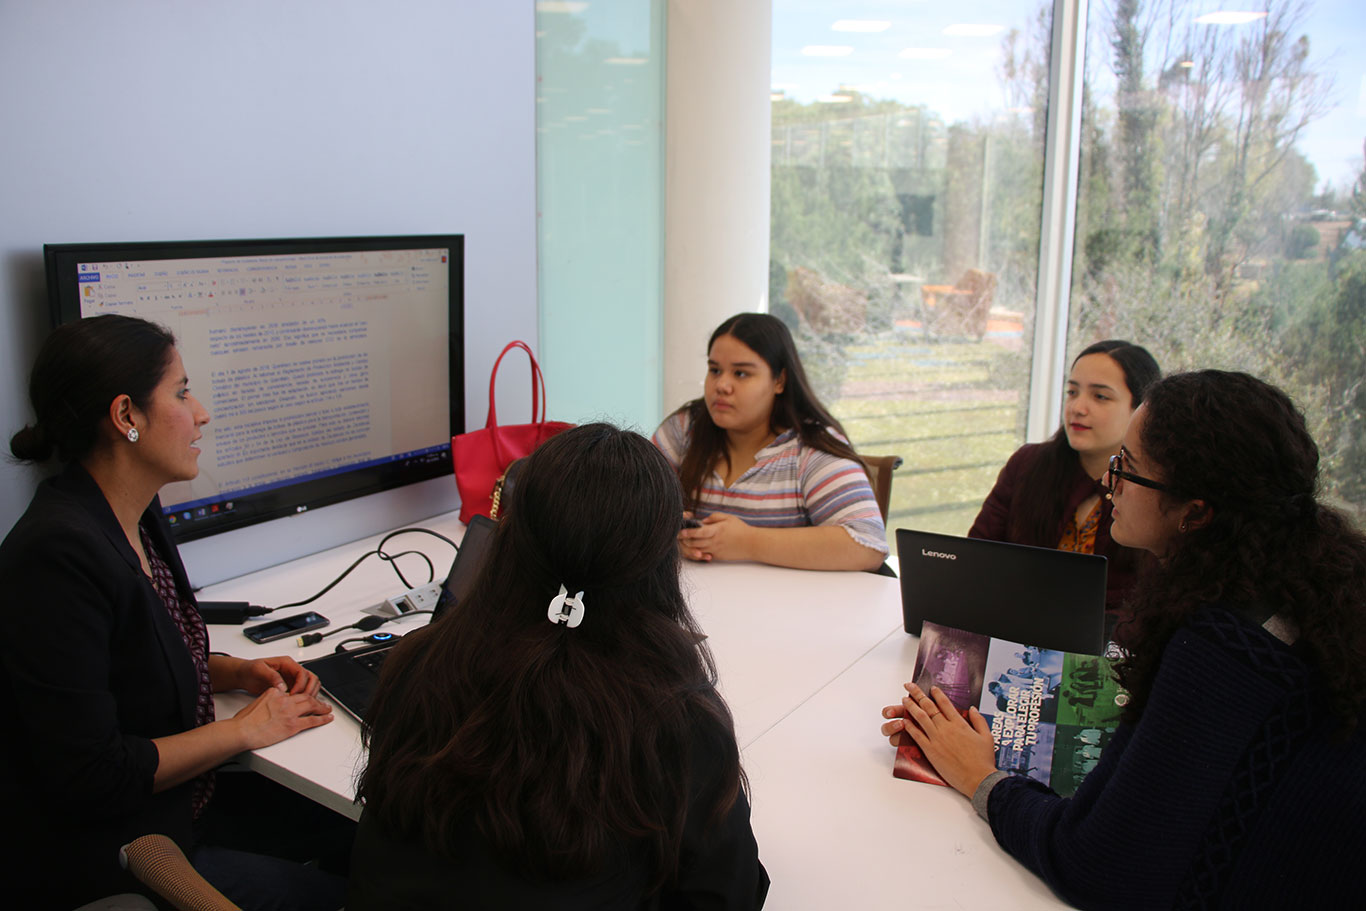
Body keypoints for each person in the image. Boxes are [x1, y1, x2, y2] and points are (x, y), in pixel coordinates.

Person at [881, 370, 1366, 909]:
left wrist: (979, 776)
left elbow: (1095, 867)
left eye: (1127, 470)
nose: (1109, 484)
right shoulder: (1312, 580)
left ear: (1195, 512)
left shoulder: (1221, 650)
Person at [0, 315, 343, 911]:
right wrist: (243, 730)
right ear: (126, 416)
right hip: (122, 849)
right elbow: (94, 773)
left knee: (380, 836)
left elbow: (129, 660)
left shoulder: (134, 514)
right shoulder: (54, 557)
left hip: (185, 803)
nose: (201, 412)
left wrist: (232, 671)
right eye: (182, 393)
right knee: (355, 887)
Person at [349, 423, 769, 909]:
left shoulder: (422, 663)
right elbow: (728, 894)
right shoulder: (675, 719)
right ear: (657, 565)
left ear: (511, 537)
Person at [653, 313, 887, 571]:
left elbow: (867, 544)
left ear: (779, 381)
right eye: (715, 370)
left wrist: (748, 543)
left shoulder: (810, 447)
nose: (721, 385)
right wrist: (672, 534)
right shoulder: (686, 428)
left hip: (790, 605)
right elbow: (630, 505)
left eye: (741, 373)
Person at [969, 339, 1160, 617]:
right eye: (1072, 392)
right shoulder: (1028, 464)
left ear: (1140, 409)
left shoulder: (1152, 489)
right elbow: (975, 557)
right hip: (1012, 625)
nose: (1077, 407)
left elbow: (1152, 597)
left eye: (1100, 397)